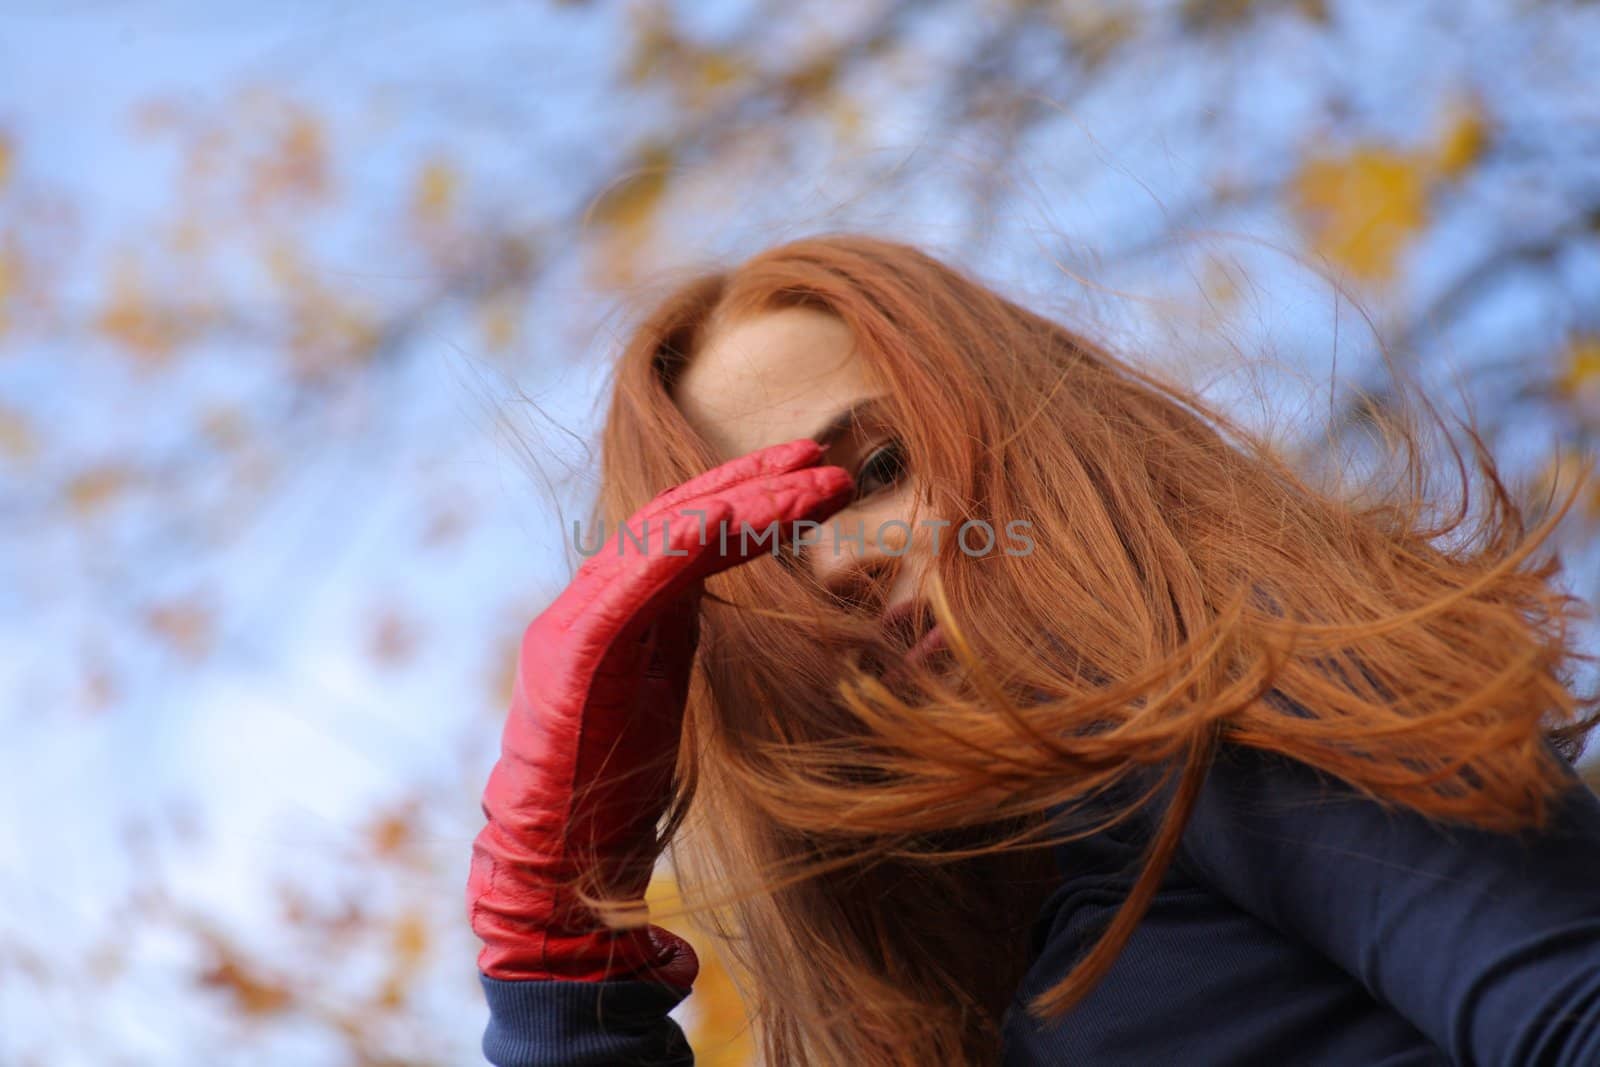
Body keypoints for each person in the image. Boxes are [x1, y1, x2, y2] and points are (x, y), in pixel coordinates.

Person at [465, 233, 1600, 1065]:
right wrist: (561, 958)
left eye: (876, 469)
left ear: (1040, 437)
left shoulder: (1223, 718)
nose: (842, 560)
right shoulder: (998, 967)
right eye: (768, 546)